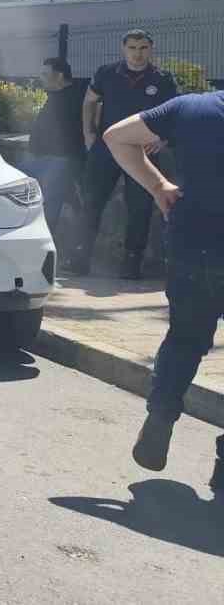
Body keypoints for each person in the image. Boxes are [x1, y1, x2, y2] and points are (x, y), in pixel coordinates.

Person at [102, 89, 224, 487]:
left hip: (195, 244)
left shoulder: (192, 108)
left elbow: (116, 136)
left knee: (185, 339)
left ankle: (161, 416)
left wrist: (157, 186)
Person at [61, 29, 178, 279]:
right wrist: (88, 134)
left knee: (140, 209)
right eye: (133, 48)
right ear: (123, 49)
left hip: (143, 152)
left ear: (151, 49)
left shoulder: (163, 79)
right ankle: (78, 259)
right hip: (106, 149)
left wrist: (162, 138)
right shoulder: (107, 73)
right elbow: (89, 102)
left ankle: (131, 264)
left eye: (143, 47)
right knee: (92, 202)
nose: (138, 53)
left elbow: (173, 113)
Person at [20, 58, 86, 237]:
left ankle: (43, 239)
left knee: (50, 201)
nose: (41, 78)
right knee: (27, 198)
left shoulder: (77, 96)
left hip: (59, 158)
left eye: (45, 74)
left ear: (59, 76)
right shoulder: (56, 94)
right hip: (38, 155)